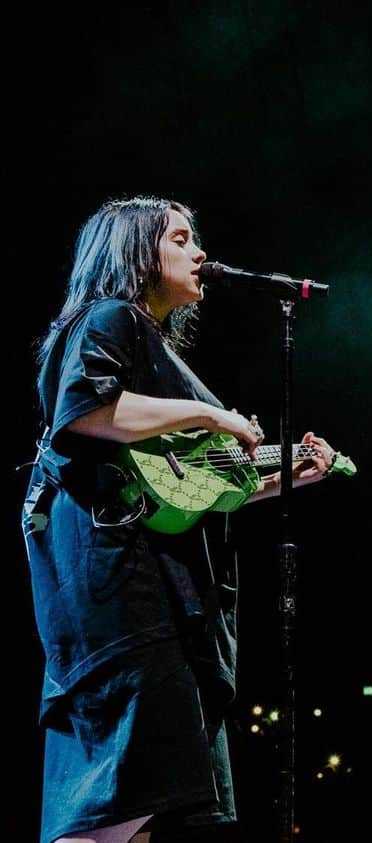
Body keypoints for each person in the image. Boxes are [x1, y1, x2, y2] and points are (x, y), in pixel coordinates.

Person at [21, 196, 338, 843]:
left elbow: (183, 490)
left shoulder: (149, 348)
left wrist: (286, 478)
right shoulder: (108, 319)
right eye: (181, 238)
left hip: (146, 594)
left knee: (133, 807)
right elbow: (82, 410)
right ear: (137, 252)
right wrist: (210, 416)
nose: (200, 254)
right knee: (118, 803)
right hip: (124, 597)